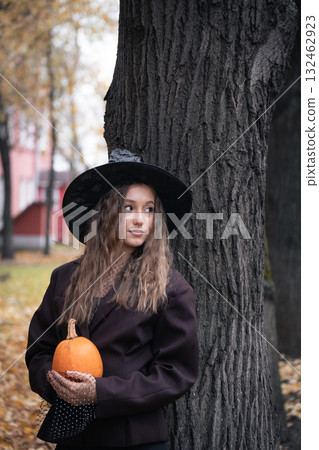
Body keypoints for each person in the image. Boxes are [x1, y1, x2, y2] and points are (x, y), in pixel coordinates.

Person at [25, 149, 199, 449]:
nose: (140, 220)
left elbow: (176, 373)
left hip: (133, 437)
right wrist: (56, 386)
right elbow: (39, 350)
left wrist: (100, 393)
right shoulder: (64, 278)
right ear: (106, 214)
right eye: (128, 208)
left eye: (148, 210)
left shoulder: (170, 286)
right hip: (74, 437)